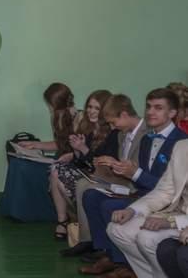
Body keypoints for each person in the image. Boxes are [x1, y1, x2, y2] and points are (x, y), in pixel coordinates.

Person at [79, 88, 188, 278]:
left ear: (172, 113)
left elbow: (170, 190)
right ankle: (109, 254)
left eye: (158, 108)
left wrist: (134, 174)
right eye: (148, 107)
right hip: (143, 195)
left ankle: (126, 267)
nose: (150, 112)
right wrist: (124, 171)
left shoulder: (181, 142)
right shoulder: (147, 139)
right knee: (92, 195)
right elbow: (144, 181)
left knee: (110, 208)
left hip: (167, 206)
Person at [61, 94, 145, 258]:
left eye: (113, 122)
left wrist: (112, 163)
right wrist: (107, 163)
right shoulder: (121, 132)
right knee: (83, 184)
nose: (112, 127)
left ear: (124, 115)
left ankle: (100, 247)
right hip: (121, 177)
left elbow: (135, 167)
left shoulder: (143, 133)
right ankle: (89, 240)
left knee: (89, 189)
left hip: (132, 184)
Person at [109, 140, 188, 278]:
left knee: (148, 237)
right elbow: (165, 191)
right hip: (176, 212)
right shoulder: (182, 146)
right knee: (118, 229)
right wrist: (132, 210)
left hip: (183, 221)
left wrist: (172, 222)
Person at [48, 90, 114, 240]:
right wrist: (76, 152)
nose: (91, 111)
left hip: (103, 179)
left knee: (60, 174)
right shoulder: (89, 128)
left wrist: (82, 149)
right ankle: (63, 221)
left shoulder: (112, 132)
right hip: (88, 173)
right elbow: (82, 161)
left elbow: (100, 165)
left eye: (97, 108)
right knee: (56, 169)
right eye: (89, 107)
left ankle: (78, 220)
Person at [18, 82, 77, 155]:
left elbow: (81, 150)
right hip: (62, 157)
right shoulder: (55, 117)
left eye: (49, 104)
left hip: (74, 159)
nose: (49, 107)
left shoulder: (79, 118)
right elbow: (59, 144)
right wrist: (33, 144)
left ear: (56, 104)